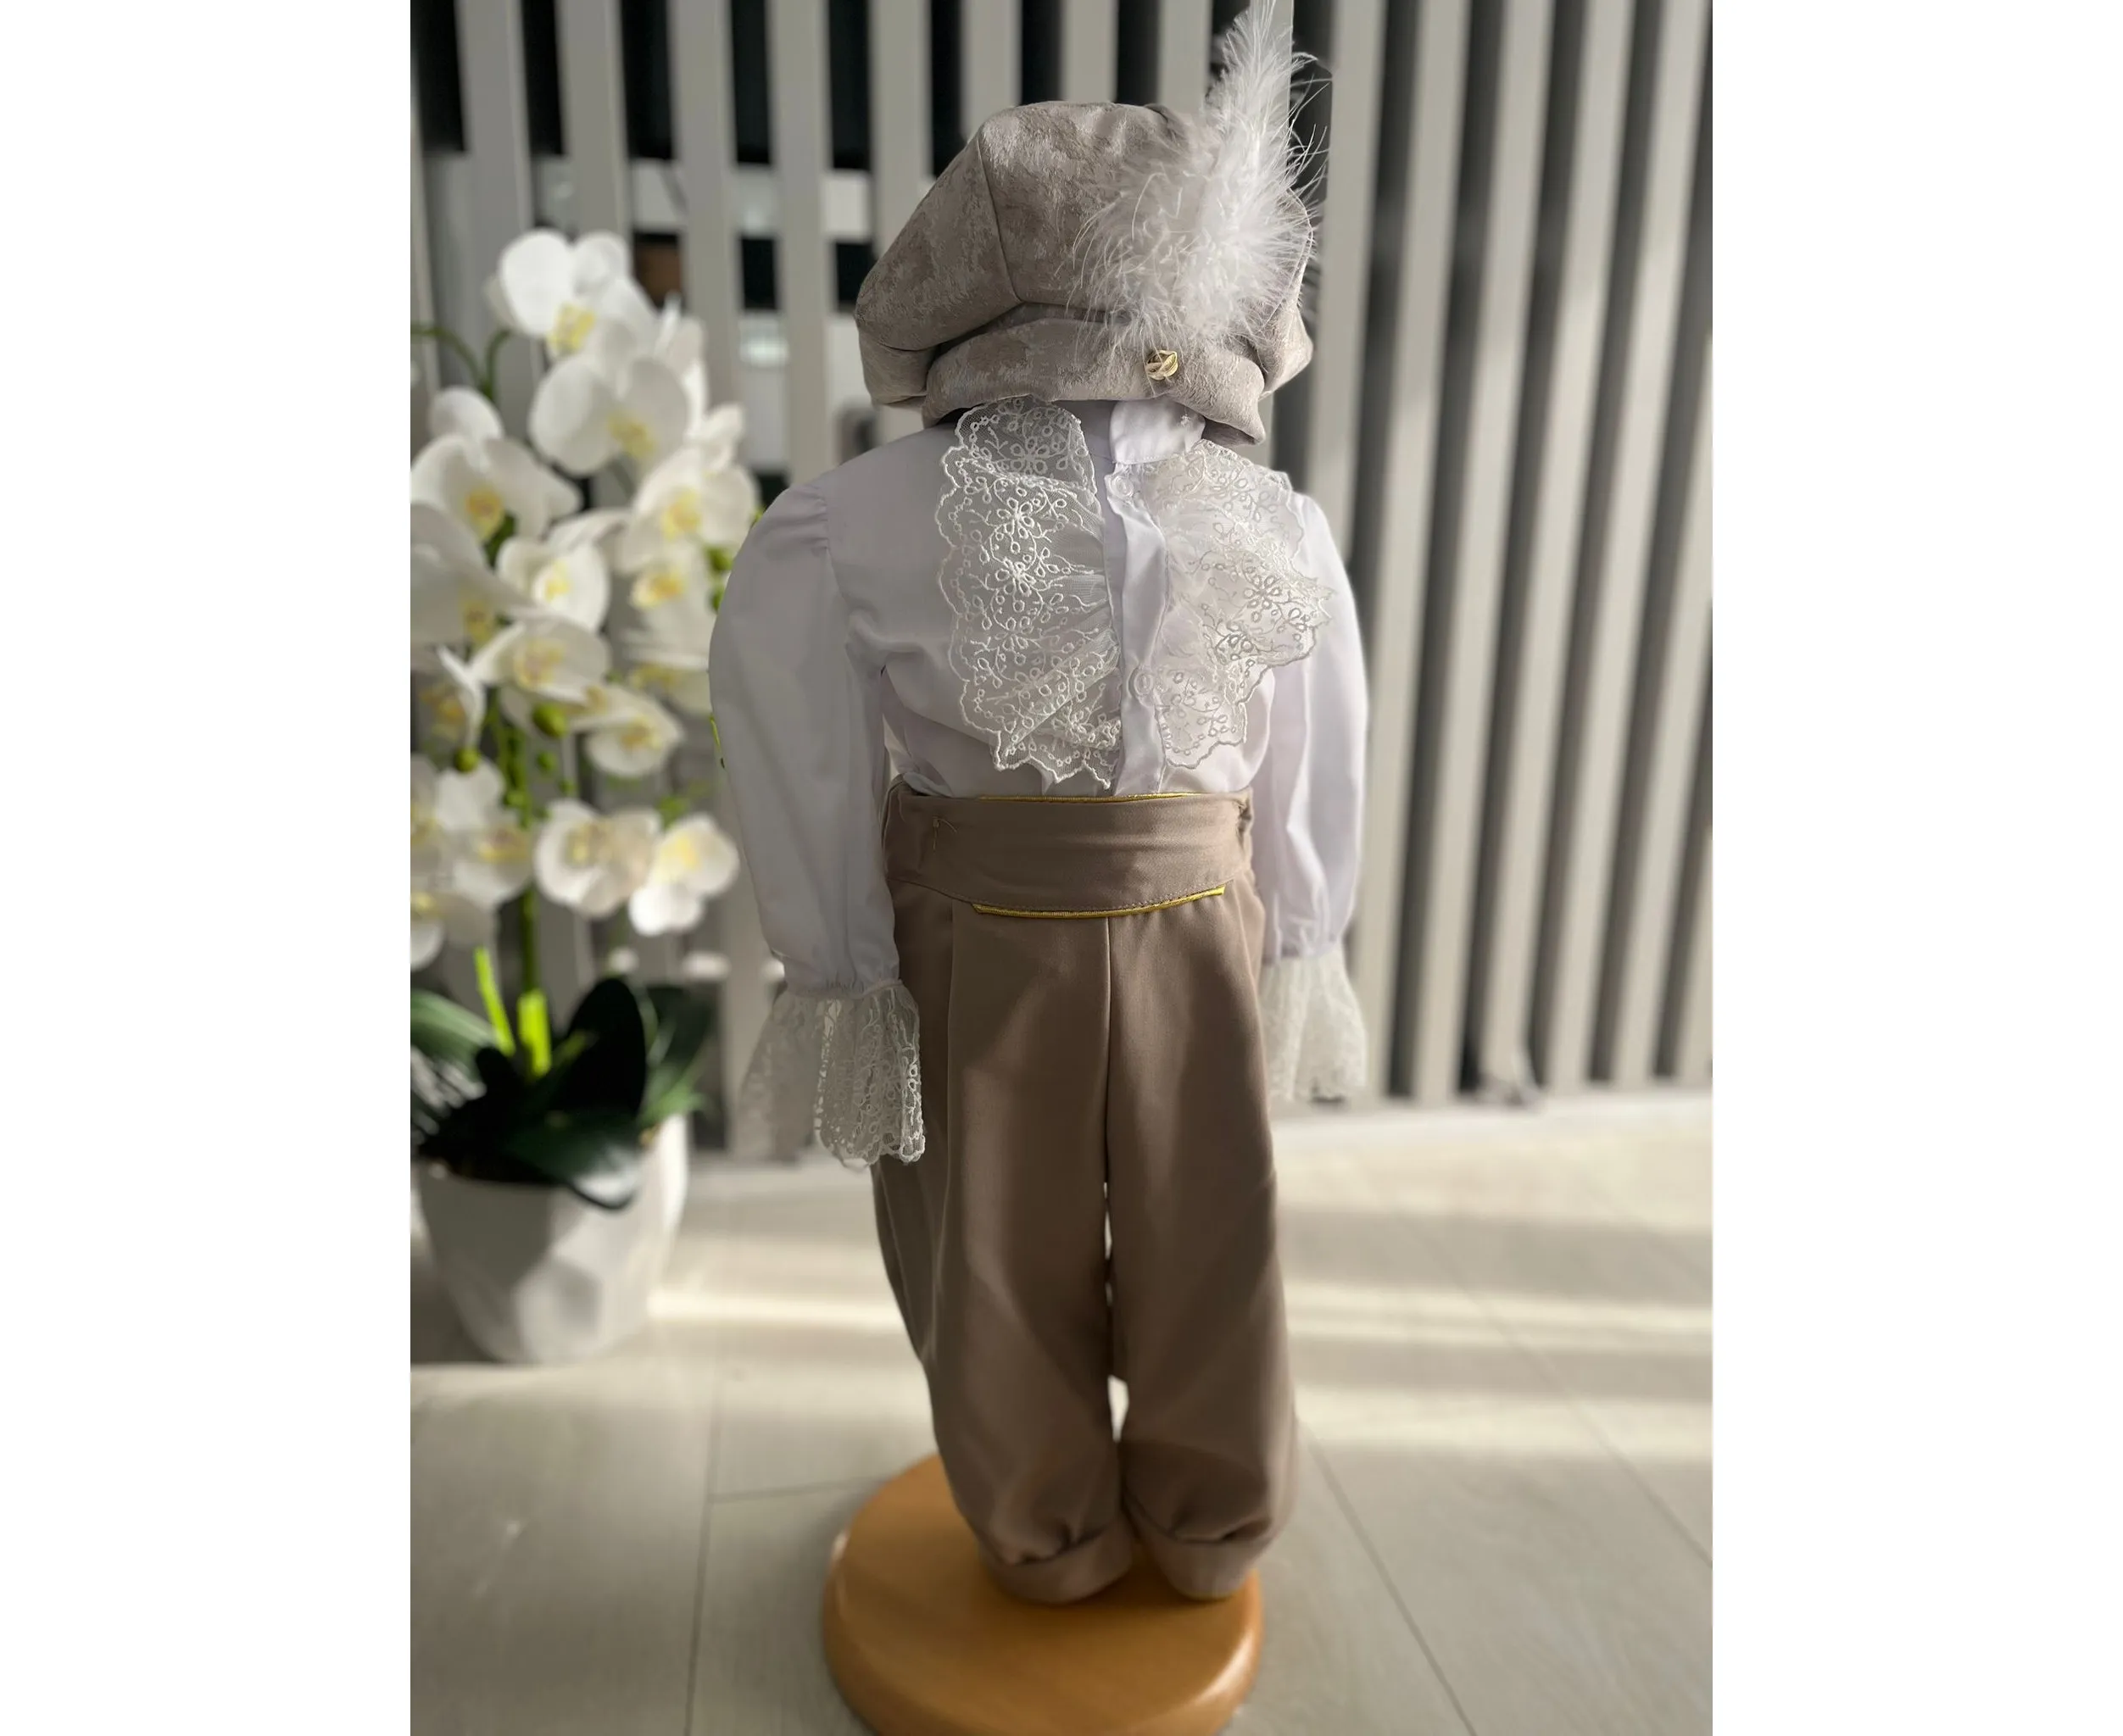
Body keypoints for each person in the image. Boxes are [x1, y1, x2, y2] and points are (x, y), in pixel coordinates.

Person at [709, 2, 1368, 1606]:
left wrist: (843, 955)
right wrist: (1300, 920)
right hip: (1095, 922)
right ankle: (1178, 1522)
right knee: (1151, 1236)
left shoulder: (853, 521)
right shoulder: (1259, 518)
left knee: (1029, 1247)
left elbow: (795, 759)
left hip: (1026, 930)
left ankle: (1071, 1526)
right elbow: (1314, 754)